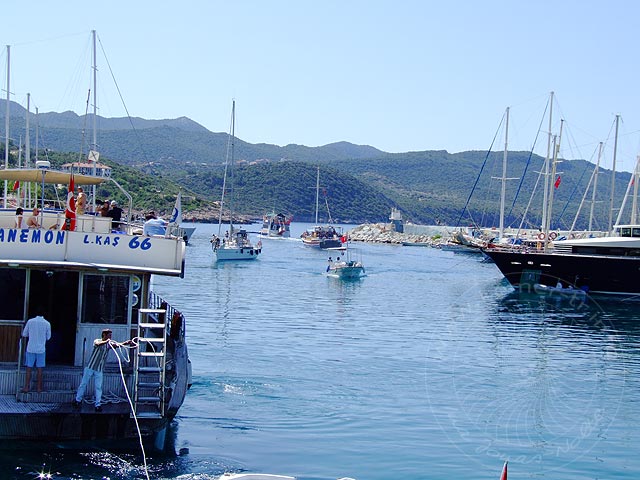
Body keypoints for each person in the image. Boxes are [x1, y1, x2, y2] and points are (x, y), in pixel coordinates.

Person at [73, 329, 135, 412]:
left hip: (99, 369)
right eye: (109, 335)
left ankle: (97, 405)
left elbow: (117, 345)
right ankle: (78, 400)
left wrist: (126, 343)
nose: (110, 337)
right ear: (104, 335)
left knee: (98, 387)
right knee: (83, 384)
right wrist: (106, 341)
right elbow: (98, 344)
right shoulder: (97, 341)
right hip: (90, 367)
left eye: (110, 335)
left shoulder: (109, 345)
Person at [21, 309, 52, 393]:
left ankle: (26, 387)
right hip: (41, 350)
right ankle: (39, 388)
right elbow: (48, 337)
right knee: (40, 369)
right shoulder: (47, 323)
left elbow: (24, 334)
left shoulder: (30, 321)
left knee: (29, 368)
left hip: (30, 348)